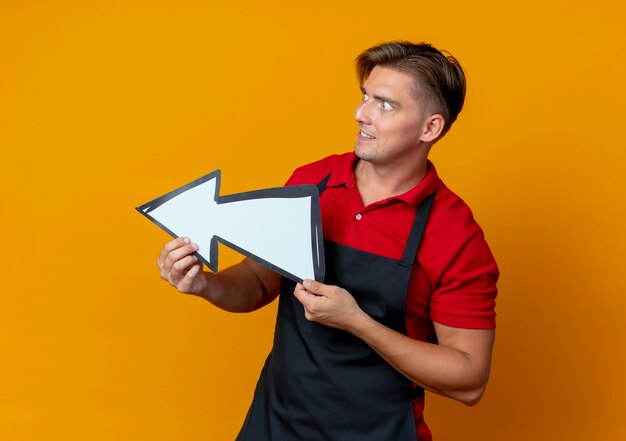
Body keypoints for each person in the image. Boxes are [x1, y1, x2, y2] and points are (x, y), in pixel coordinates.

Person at [156, 41, 498, 441]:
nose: (361, 115)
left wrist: (359, 324)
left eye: (385, 105)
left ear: (430, 127)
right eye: (365, 97)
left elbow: (470, 378)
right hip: (276, 426)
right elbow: (259, 281)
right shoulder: (311, 183)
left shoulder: (455, 236)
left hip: (379, 432)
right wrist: (205, 285)